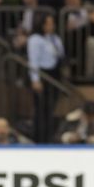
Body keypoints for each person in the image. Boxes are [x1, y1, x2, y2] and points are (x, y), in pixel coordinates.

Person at [27, 14, 64, 143]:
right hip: (43, 75)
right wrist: (35, 79)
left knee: (50, 108)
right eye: (49, 23)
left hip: (54, 74)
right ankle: (40, 138)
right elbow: (34, 61)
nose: (52, 26)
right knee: (42, 108)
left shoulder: (54, 38)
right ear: (42, 25)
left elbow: (60, 54)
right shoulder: (35, 39)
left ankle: (48, 136)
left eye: (52, 23)